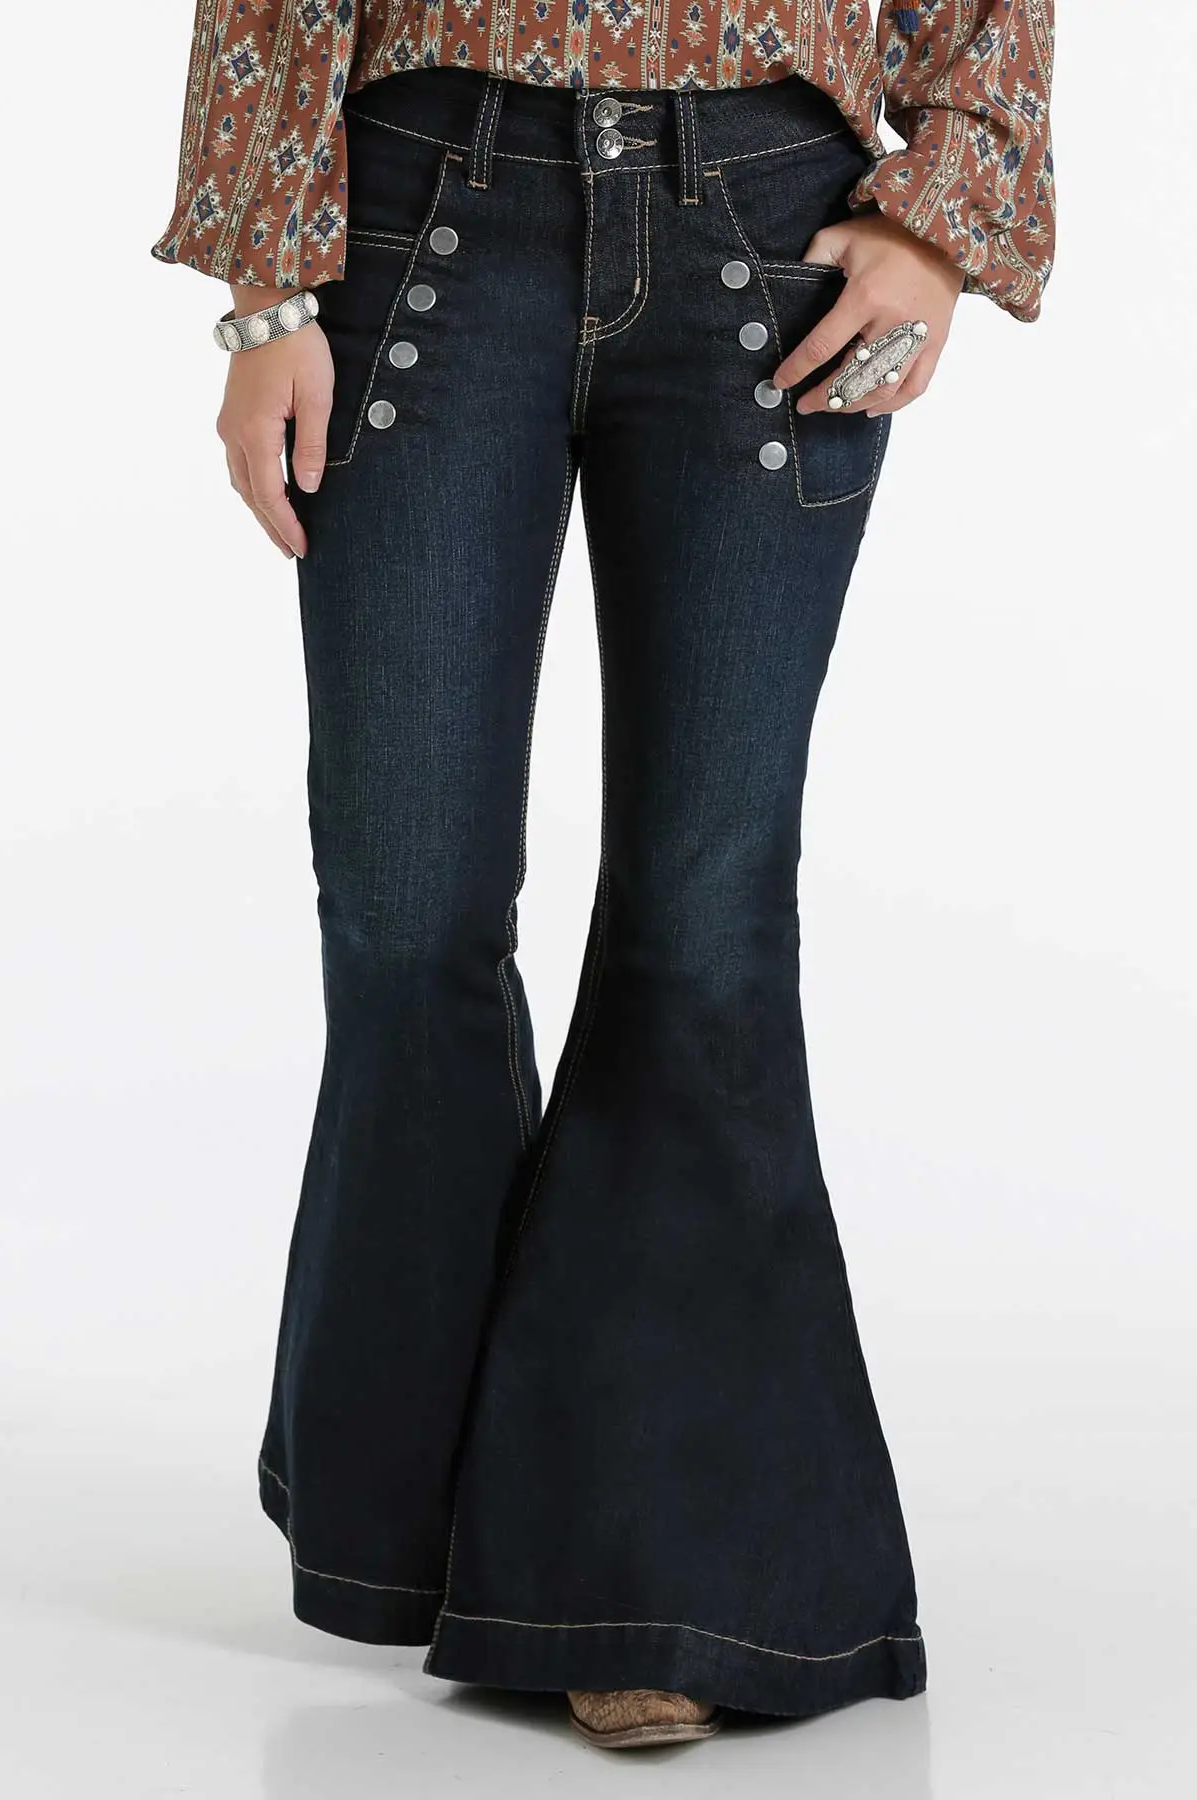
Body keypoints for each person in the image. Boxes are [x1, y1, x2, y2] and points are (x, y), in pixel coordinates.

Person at [154, 0, 1054, 1752]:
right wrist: (266, 281)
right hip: (425, 203)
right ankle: (433, 1517)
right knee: (405, 912)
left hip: (768, 217)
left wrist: (950, 200)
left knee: (701, 924)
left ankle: (658, 1576)